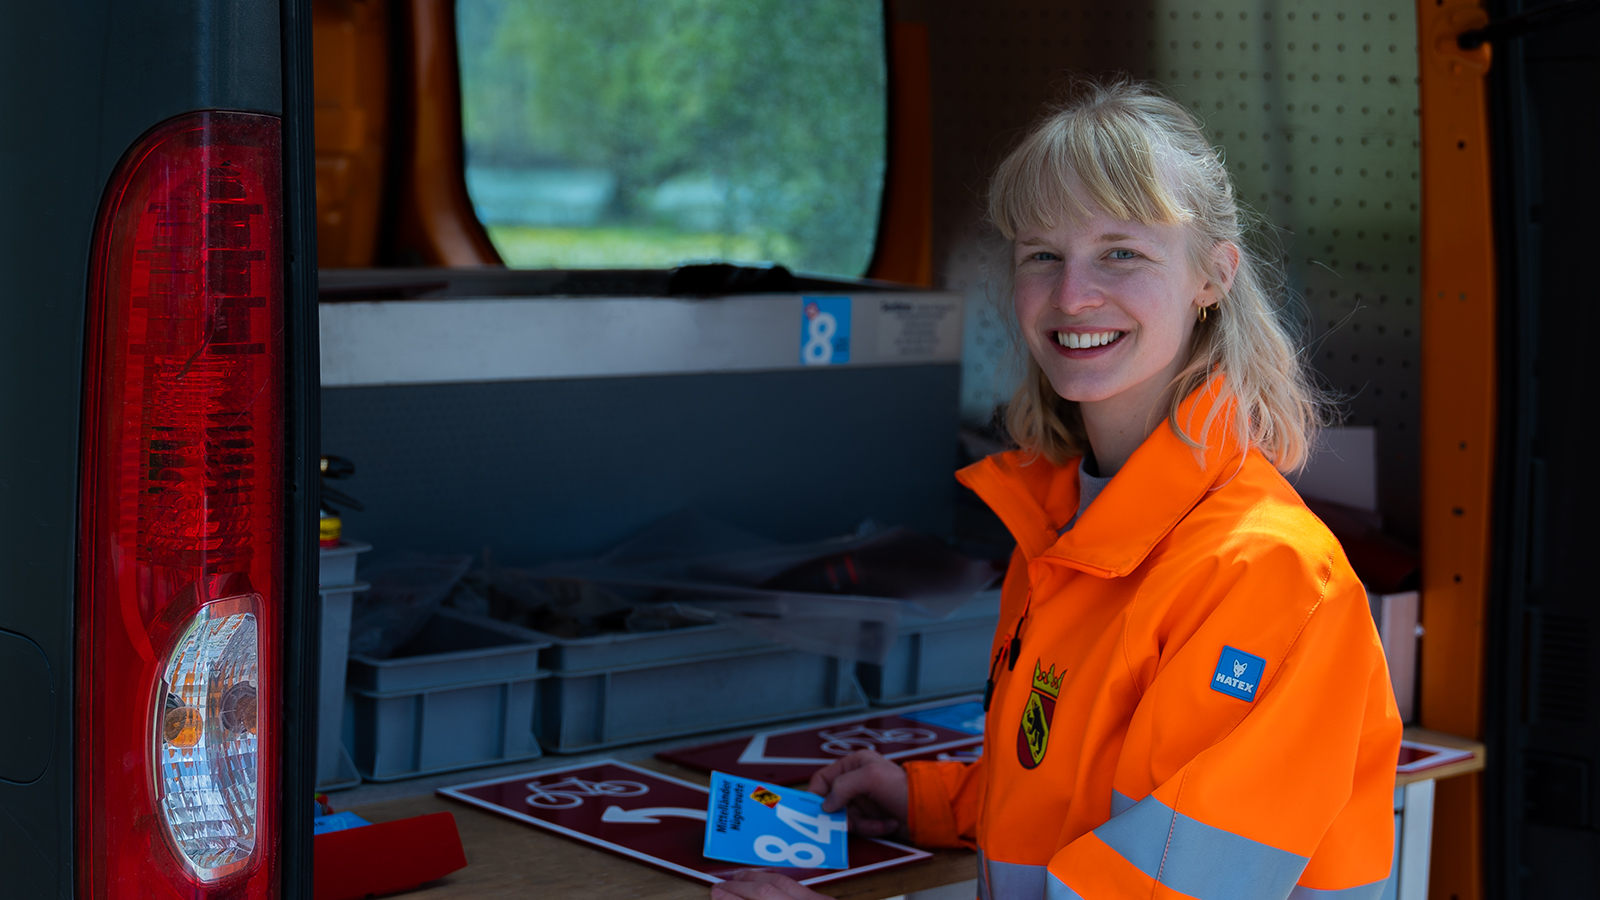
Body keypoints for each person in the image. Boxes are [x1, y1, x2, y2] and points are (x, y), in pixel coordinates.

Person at [711, 79, 1402, 900]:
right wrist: (936, 800)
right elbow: (1085, 778)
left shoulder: (1266, 577)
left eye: (1122, 252)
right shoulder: (1073, 521)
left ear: (1212, 278)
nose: (1073, 296)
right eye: (1042, 254)